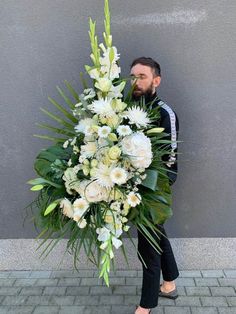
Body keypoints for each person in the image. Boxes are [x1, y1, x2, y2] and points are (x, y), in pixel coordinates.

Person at [130, 57, 180, 314]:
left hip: (155, 189)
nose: (135, 82)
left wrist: (154, 187)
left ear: (156, 81)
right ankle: (169, 284)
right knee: (157, 234)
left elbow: (170, 158)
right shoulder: (126, 109)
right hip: (128, 186)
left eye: (142, 77)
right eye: (133, 77)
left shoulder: (165, 113)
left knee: (148, 243)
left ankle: (146, 305)